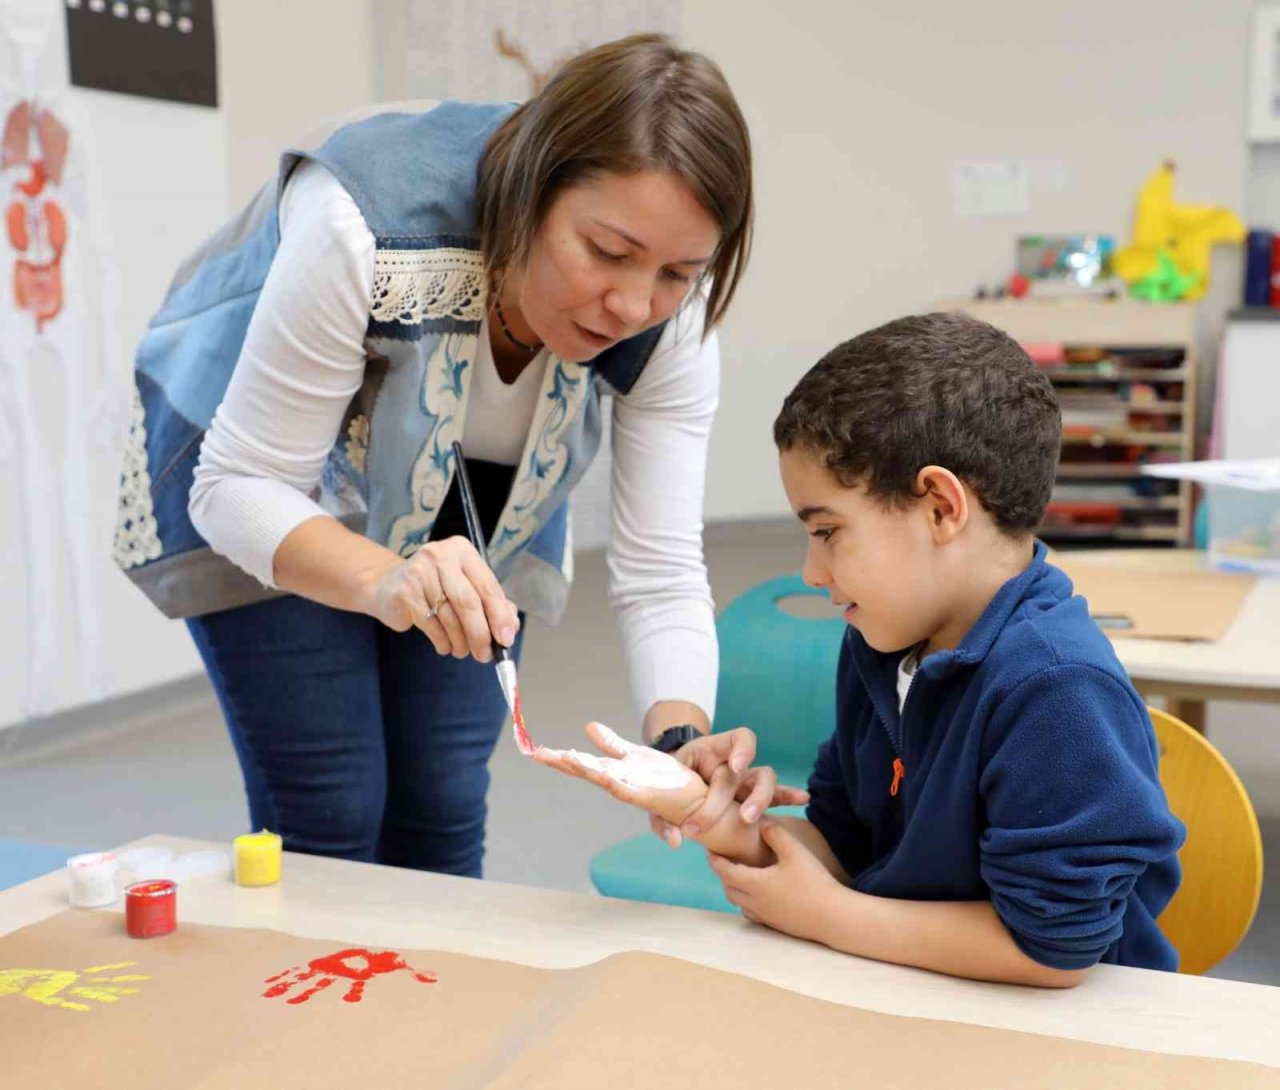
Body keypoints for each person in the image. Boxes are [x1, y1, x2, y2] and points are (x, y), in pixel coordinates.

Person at [113, 35, 801, 878]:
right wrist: (387, 579)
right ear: (530, 191)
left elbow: (659, 566)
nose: (632, 304)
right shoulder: (362, 223)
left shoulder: (674, 319)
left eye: (677, 273)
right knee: (332, 801)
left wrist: (680, 738)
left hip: (467, 497)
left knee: (441, 799)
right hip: (272, 476)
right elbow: (240, 485)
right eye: (608, 253)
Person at [536, 312, 1186, 986]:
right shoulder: (881, 645)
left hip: (1063, 1028)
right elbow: (843, 846)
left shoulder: (1056, 688)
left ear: (940, 507)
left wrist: (831, 918)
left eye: (827, 532)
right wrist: (711, 813)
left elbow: (1053, 950)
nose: (812, 572)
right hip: (917, 993)